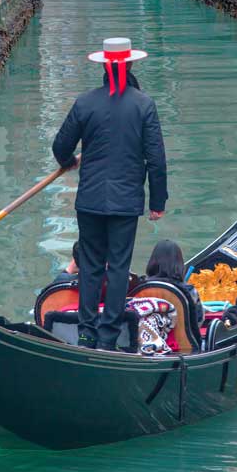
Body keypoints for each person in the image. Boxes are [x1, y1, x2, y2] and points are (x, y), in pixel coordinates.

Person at [52, 36, 169, 352]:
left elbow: (60, 146)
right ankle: (107, 337)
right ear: (129, 64)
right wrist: (157, 202)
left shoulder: (85, 103)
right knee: (117, 267)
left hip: (90, 200)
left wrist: (69, 162)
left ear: (105, 66)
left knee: (90, 266)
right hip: (126, 202)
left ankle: (87, 333)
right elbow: (156, 159)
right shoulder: (144, 105)